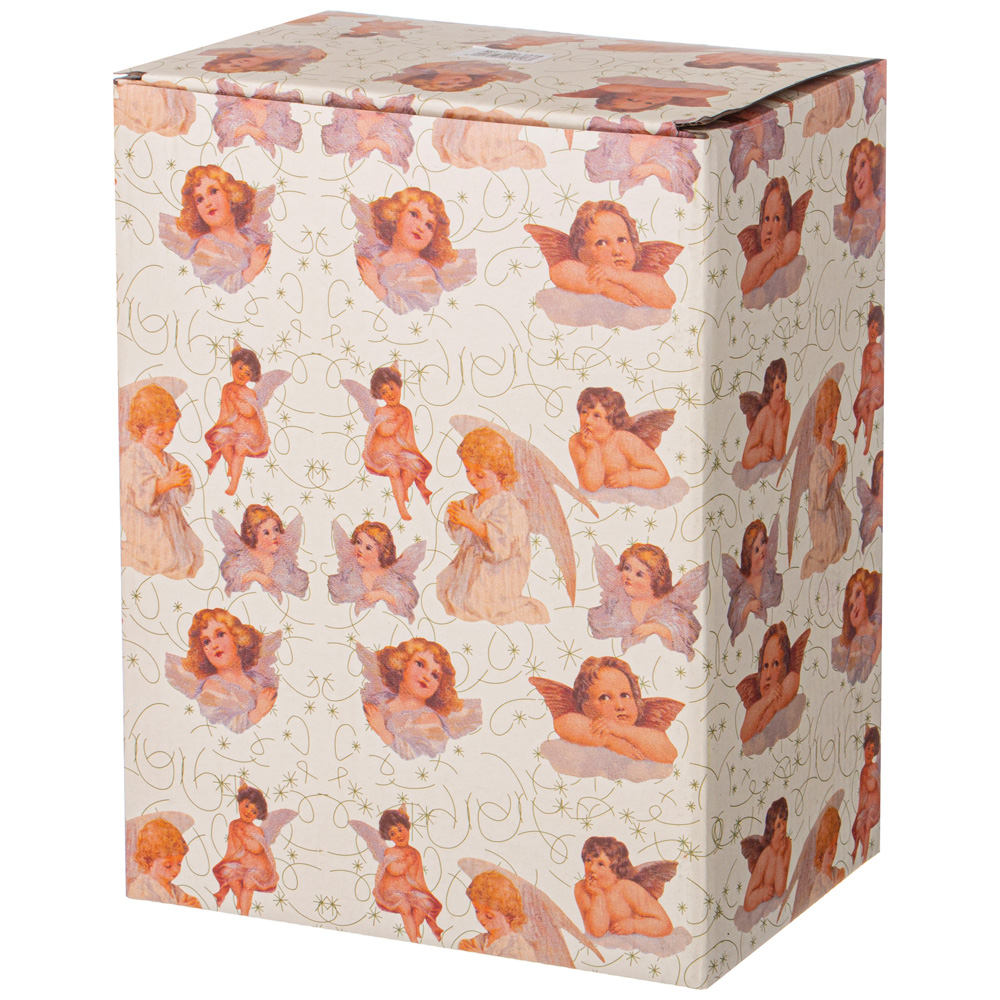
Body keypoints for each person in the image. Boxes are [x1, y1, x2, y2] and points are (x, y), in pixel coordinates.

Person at [437, 427, 548, 625]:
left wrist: (471, 522)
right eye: (468, 471)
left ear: (500, 473)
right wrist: (455, 520)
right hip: (471, 566)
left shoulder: (509, 506)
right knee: (455, 593)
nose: (472, 478)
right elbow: (463, 539)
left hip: (497, 572)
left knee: (483, 604)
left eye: (479, 474)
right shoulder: (472, 501)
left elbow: (503, 546)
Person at [120, 382, 203, 580]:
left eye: (171, 431)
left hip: (170, 522)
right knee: (163, 560)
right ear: (141, 428)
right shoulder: (132, 457)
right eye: (160, 432)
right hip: (147, 526)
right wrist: (166, 483)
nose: (167, 438)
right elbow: (141, 496)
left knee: (188, 554)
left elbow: (178, 499)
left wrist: (183, 482)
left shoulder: (167, 458)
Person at [531, 655, 682, 763]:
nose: (620, 706)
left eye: (625, 695)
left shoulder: (644, 733)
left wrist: (622, 730)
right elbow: (564, 722)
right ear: (585, 706)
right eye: (605, 698)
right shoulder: (581, 726)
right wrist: (611, 741)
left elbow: (669, 754)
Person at [351, 189, 476, 315]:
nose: (420, 227)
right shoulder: (374, 252)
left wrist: (376, 287)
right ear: (396, 214)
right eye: (414, 214)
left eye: (429, 225)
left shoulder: (421, 272)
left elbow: (411, 312)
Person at [359, 639, 482, 760]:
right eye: (420, 664)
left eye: (435, 675)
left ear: (440, 686)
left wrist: (383, 732)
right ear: (402, 663)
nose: (426, 677)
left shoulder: (427, 719)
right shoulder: (380, 699)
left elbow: (419, 758)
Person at [159, 165, 273, 293]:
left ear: (230, 193)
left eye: (213, 192)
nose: (207, 203)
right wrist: (251, 271)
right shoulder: (207, 247)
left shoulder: (250, 235)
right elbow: (221, 288)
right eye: (200, 199)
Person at [165, 609, 280, 733]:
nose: (214, 645)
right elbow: (227, 729)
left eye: (220, 635)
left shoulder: (257, 678)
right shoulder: (213, 689)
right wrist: (258, 712)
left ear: (237, 636)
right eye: (206, 642)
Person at [205, 345, 289, 496]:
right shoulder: (227, 387)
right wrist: (220, 427)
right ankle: (232, 465)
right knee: (221, 439)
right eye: (240, 367)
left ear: (252, 377)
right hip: (234, 429)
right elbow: (225, 411)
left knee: (240, 448)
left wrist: (236, 400)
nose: (242, 374)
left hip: (251, 434)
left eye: (247, 373)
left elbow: (249, 412)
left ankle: (234, 483)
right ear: (233, 364)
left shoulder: (249, 392)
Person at [574, 837, 675, 939]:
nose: (591, 868)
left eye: (601, 864)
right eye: (588, 860)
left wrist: (634, 926)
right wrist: (597, 895)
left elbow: (666, 925)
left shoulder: (627, 888)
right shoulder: (582, 888)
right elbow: (596, 932)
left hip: (641, 940)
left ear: (615, 869)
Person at [801, 378, 850, 579]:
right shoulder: (818, 456)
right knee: (825, 550)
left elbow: (839, 482)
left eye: (836, 418)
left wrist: (841, 463)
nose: (834, 424)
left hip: (835, 508)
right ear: (821, 421)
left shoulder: (835, 447)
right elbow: (819, 495)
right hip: (823, 515)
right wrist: (834, 467)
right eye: (829, 420)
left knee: (840, 538)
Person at [372, 808, 444, 943]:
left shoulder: (415, 853)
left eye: (400, 829)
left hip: (408, 891)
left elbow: (418, 878)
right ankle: (413, 940)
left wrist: (425, 894)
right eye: (392, 833)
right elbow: (394, 870)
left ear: (407, 827)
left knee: (425, 903)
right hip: (391, 891)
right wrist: (407, 863)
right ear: (389, 837)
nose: (398, 835)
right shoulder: (390, 852)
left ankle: (414, 926)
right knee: (405, 906)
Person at [216, 504, 307, 600]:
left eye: (276, 530)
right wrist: (256, 576)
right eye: (266, 533)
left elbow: (298, 589)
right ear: (252, 535)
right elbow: (232, 577)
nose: (274, 536)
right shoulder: (241, 559)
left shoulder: (282, 559)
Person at [458, 871, 537, 961]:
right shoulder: (482, 940)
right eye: (477, 911)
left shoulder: (517, 947)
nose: (480, 918)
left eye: (489, 916)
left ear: (508, 916)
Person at [127, 817, 201, 907]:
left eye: (179, 864)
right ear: (149, 861)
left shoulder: (174, 890)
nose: (175, 870)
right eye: (168, 865)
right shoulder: (141, 888)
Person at [833, 139, 885, 259]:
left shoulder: (883, 205)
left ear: (872, 163)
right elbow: (859, 257)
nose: (860, 178)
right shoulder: (852, 217)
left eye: (863, 164)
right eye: (855, 176)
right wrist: (881, 228)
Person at [741, 798, 791, 912]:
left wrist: (780, 855)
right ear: (772, 828)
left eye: (784, 821)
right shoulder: (767, 855)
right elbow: (747, 903)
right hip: (758, 911)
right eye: (778, 825)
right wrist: (761, 894)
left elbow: (780, 891)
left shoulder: (787, 844)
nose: (783, 828)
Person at [851, 304, 885, 456]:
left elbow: (877, 365)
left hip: (878, 389)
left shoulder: (877, 347)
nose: (873, 332)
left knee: (870, 404)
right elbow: (864, 376)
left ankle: (868, 442)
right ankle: (863, 428)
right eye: (872, 327)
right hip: (868, 387)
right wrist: (861, 392)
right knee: (859, 404)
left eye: (877, 330)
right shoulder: (866, 350)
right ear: (868, 326)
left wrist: (875, 363)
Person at [851, 727, 881, 863]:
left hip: (875, 809)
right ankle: (859, 851)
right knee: (858, 825)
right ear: (864, 749)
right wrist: (859, 813)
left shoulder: (875, 767)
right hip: (866, 808)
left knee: (867, 823)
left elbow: (877, 786)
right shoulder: (864, 771)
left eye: (873, 750)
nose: (869, 753)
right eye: (868, 748)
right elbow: (862, 797)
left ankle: (864, 858)